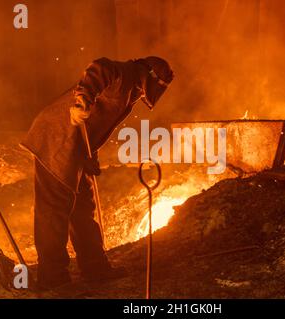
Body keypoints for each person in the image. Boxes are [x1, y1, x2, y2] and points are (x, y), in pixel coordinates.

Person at [21, 56, 174, 289]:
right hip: (56, 140)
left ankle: (95, 267)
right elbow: (99, 68)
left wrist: (91, 156)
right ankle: (53, 276)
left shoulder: (129, 91)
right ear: (150, 76)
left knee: (83, 208)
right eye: (159, 85)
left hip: (77, 147)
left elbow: (95, 127)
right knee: (54, 208)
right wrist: (82, 99)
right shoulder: (123, 74)